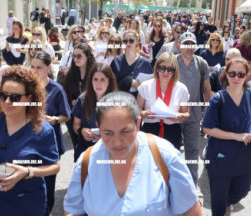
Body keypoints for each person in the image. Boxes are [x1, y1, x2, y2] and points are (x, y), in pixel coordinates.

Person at [64, 91, 202, 216]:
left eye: (125, 131)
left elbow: (191, 211)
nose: (117, 142)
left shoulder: (166, 156)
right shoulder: (87, 161)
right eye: (108, 133)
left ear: (138, 124)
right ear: (98, 127)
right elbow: (73, 210)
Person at [202, 57, 251, 216]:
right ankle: (223, 207)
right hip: (220, 155)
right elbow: (207, 128)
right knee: (218, 201)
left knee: (242, 190)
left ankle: (228, 203)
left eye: (241, 74)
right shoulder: (218, 99)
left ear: (247, 75)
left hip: (244, 155)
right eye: (232, 73)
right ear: (226, 74)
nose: (236, 78)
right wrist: (236, 136)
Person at [0, 66, 60, 216]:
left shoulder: (42, 130)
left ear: (29, 98)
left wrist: (27, 171)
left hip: (27, 206)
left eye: (15, 97)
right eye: (3, 95)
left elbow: (55, 166)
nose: (7, 101)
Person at [31, 52, 71, 216]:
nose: (35, 71)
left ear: (48, 68)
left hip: (49, 144)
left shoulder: (57, 89)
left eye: (39, 67)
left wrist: (54, 119)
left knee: (48, 186)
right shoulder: (26, 88)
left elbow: (67, 116)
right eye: (32, 67)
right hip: (29, 144)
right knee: (31, 184)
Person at [177, 32, 211, 187]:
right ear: (180, 45)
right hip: (174, 114)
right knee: (173, 150)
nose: (189, 47)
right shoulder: (172, 62)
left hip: (194, 115)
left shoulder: (201, 63)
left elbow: (206, 88)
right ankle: (174, 185)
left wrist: (207, 109)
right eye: (186, 44)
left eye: (192, 44)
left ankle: (191, 185)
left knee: (192, 151)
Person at [137, 52, 190, 150]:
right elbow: (137, 110)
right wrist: (144, 113)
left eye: (170, 69)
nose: (166, 72)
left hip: (172, 131)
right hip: (150, 130)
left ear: (175, 71)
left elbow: (186, 114)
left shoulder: (182, 88)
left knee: (169, 164)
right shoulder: (145, 86)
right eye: (162, 68)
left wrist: (179, 116)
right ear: (157, 68)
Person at [72, 63, 117, 161]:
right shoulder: (82, 99)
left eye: (103, 80)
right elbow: (76, 124)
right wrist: (82, 131)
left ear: (109, 81)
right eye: (95, 79)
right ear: (90, 81)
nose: (98, 84)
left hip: (109, 152)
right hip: (86, 151)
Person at [63, 43, 96, 151]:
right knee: (78, 147)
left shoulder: (96, 73)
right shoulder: (70, 74)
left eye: (79, 56)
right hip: (74, 116)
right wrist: (72, 101)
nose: (76, 59)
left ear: (87, 56)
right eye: (74, 56)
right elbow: (65, 96)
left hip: (91, 116)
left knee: (92, 148)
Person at [110, 30, 153, 98]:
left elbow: (151, 87)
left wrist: (140, 88)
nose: (128, 43)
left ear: (137, 41)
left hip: (137, 104)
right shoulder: (116, 62)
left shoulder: (145, 64)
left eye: (131, 40)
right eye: (125, 41)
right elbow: (110, 84)